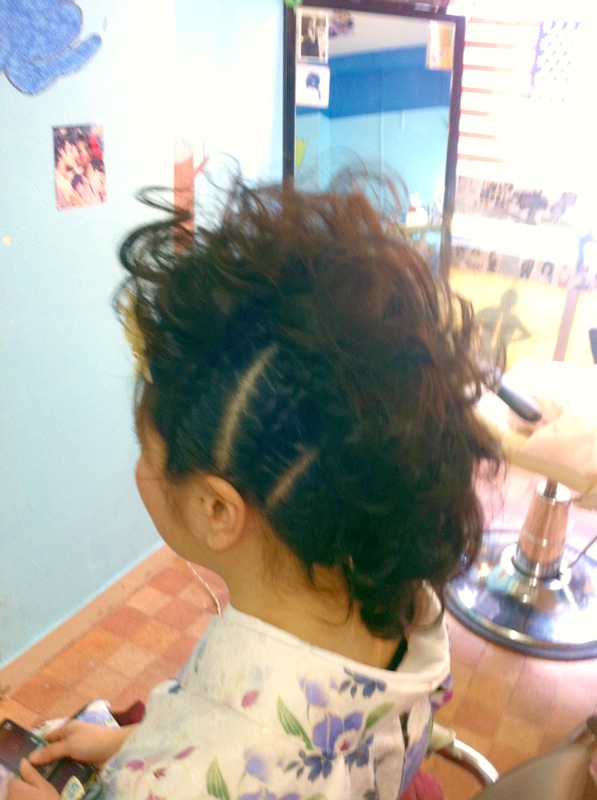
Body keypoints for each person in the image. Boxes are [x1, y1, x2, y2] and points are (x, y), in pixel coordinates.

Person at [9, 175, 500, 800]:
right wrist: (134, 744)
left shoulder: (214, 776)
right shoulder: (400, 596)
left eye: (147, 452)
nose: (139, 472)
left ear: (217, 508)